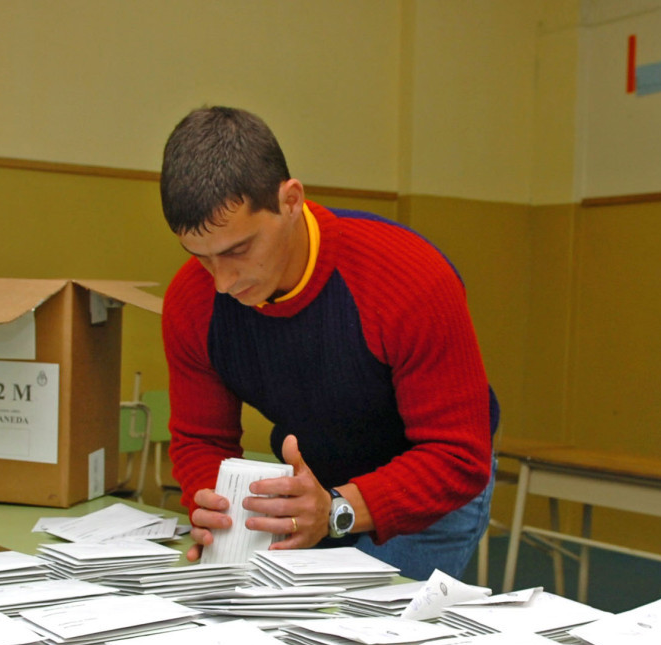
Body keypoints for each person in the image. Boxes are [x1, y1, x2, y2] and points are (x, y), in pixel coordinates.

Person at [159, 106, 498, 580]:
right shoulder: (193, 303)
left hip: (429, 486)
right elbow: (201, 440)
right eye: (202, 258)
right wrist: (214, 506)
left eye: (239, 250)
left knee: (378, 637)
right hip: (314, 482)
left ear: (291, 200)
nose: (223, 282)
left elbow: (457, 456)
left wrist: (339, 509)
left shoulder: (410, 279)